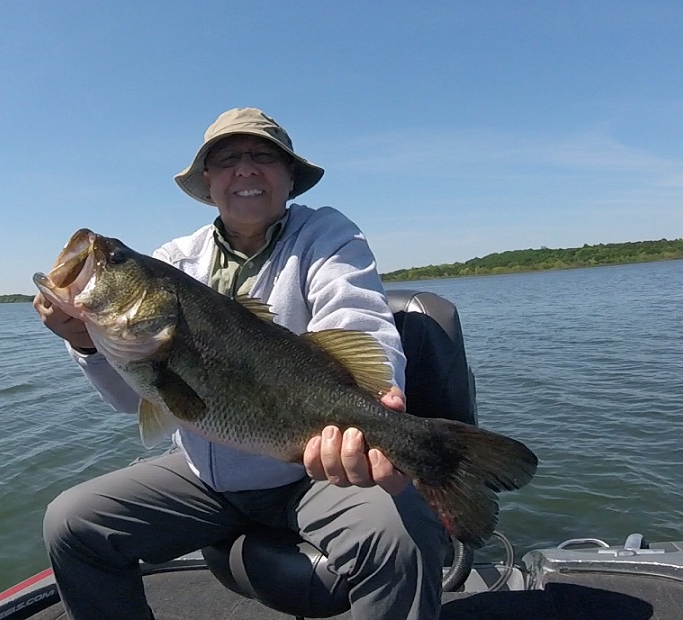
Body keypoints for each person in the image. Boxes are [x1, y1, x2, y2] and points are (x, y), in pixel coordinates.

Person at [34, 107, 448, 619]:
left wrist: (378, 409)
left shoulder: (326, 235)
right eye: (228, 159)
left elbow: (358, 325)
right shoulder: (175, 262)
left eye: (263, 157)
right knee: (72, 525)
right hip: (204, 479)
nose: (246, 169)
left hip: (310, 473)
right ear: (208, 181)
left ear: (290, 175)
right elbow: (132, 399)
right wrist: (88, 342)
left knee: (401, 540)